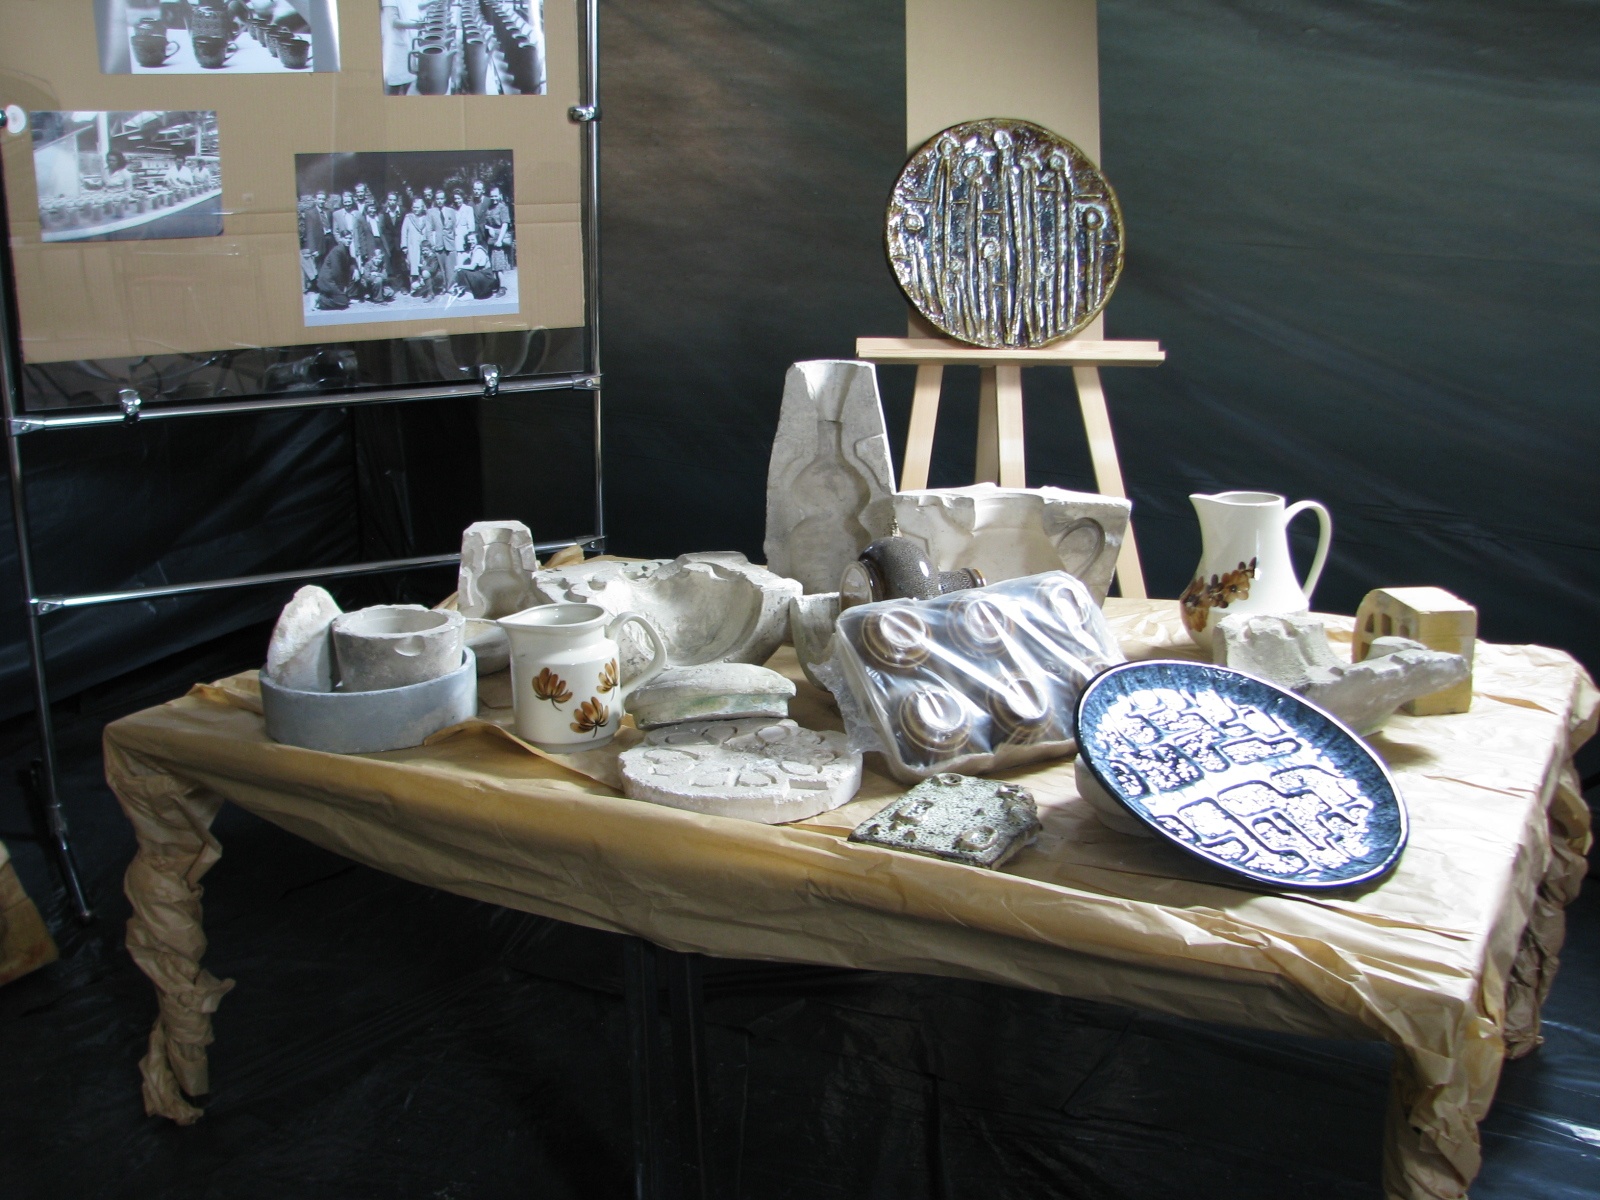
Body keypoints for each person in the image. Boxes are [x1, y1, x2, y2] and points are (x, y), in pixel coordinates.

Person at [381, 0, 428, 94]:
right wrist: (415, 25)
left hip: (408, 43)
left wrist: (432, 2)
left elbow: (416, 5)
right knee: (394, 84)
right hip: (396, 46)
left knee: (408, 79)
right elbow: (394, 22)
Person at [314, 228, 356, 310]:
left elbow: (350, 261)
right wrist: (341, 287)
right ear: (341, 238)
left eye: (350, 238)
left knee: (343, 299)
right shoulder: (337, 250)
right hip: (328, 280)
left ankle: (328, 296)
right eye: (346, 238)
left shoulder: (346, 249)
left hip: (333, 280)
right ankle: (319, 299)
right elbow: (336, 271)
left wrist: (355, 268)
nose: (348, 240)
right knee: (343, 302)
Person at [452, 231, 500, 299]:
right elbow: (464, 256)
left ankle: (469, 294)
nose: (470, 242)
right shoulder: (474, 249)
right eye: (468, 240)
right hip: (482, 276)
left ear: (477, 240)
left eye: (472, 239)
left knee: (461, 272)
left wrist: (459, 266)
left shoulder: (479, 251)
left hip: (486, 277)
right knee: (463, 269)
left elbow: (472, 267)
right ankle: (465, 290)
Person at [301, 189, 332, 292]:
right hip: (318, 243)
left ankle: (327, 285)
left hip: (329, 241)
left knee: (328, 264)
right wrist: (313, 249)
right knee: (319, 265)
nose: (321, 201)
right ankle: (319, 288)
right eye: (319, 199)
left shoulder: (328, 212)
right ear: (315, 199)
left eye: (323, 199)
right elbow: (309, 232)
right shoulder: (310, 213)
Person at [400, 196, 431, 290]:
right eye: (414, 207)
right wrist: (404, 246)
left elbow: (429, 232)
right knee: (413, 266)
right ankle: (413, 286)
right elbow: (404, 232)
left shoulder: (426, 218)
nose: (415, 209)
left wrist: (430, 244)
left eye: (418, 207)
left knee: (423, 264)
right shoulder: (408, 218)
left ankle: (425, 287)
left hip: (424, 246)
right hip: (412, 246)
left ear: (422, 207)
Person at [482, 185, 513, 272]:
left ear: (500, 195)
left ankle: (501, 281)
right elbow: (485, 223)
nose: (494, 198)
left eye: (496, 196)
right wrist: (489, 228)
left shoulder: (503, 207)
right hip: (490, 240)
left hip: (499, 239)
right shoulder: (489, 208)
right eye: (492, 196)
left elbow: (505, 224)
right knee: (492, 267)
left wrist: (499, 240)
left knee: (499, 268)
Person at [450, 187, 476, 275]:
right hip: (453, 240)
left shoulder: (468, 209)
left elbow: (471, 227)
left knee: (463, 261)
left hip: (464, 240)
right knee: (455, 261)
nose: (457, 201)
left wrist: (467, 239)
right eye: (455, 199)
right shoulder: (452, 210)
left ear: (463, 198)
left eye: (459, 198)